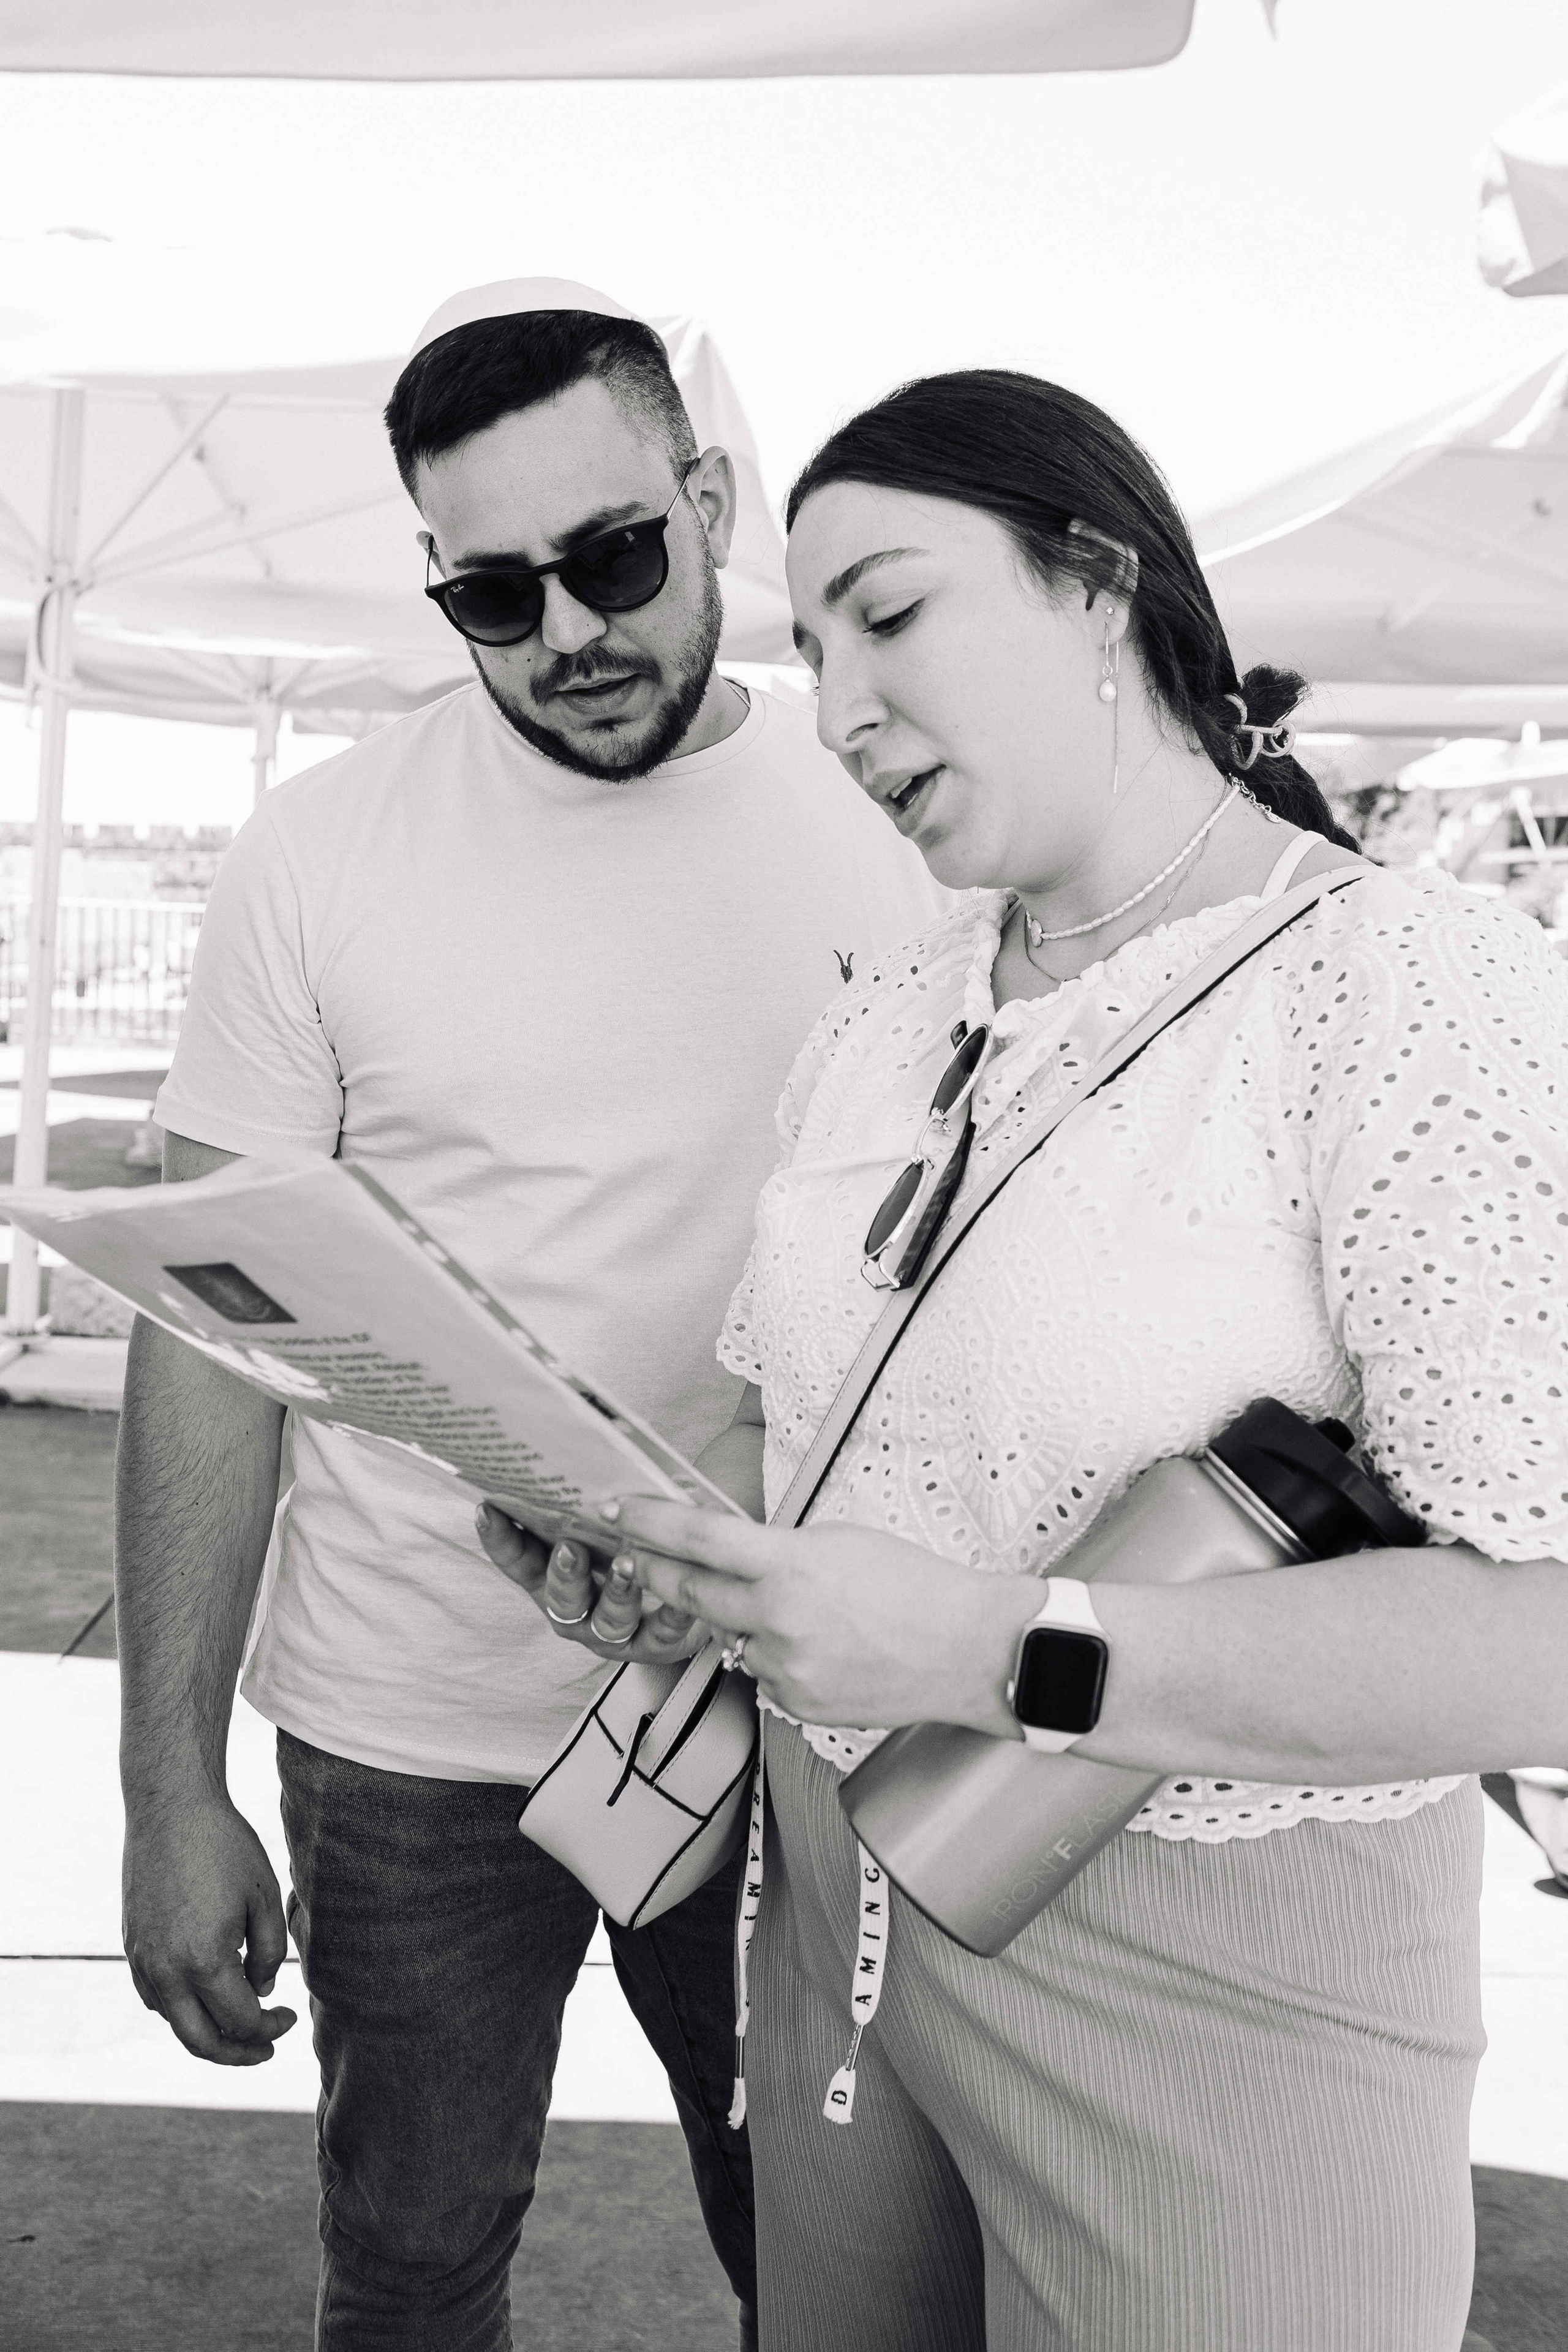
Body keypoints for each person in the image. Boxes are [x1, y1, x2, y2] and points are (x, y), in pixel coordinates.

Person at [488, 370, 1568, 2350]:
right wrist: (655, 1545)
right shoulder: (888, 1018)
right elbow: (804, 1441)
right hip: (832, 1917)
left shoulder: (1414, 988)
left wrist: (988, 1649)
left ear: (1099, 585)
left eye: (890, 615)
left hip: (1211, 1988)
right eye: (808, 654)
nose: (848, 708)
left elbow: (1546, 1640)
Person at [113, 282, 940, 2352]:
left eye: (616, 558)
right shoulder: (320, 853)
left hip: (791, 1711)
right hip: (405, 1727)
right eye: (493, 594)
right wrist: (163, 1790)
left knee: (831, 2270)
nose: (568, 632)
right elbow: (213, 1332)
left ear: (714, 505)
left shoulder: (909, 822)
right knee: (405, 2273)